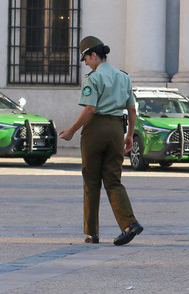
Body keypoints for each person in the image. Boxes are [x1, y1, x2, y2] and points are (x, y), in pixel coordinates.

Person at [58, 36, 143, 246]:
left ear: (93, 55)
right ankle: (129, 224)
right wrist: (129, 135)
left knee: (91, 180)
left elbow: (90, 109)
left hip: (95, 130)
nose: (86, 63)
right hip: (116, 129)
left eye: (86, 58)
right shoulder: (124, 77)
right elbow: (132, 110)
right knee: (113, 180)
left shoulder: (93, 78)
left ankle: (92, 233)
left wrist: (71, 130)